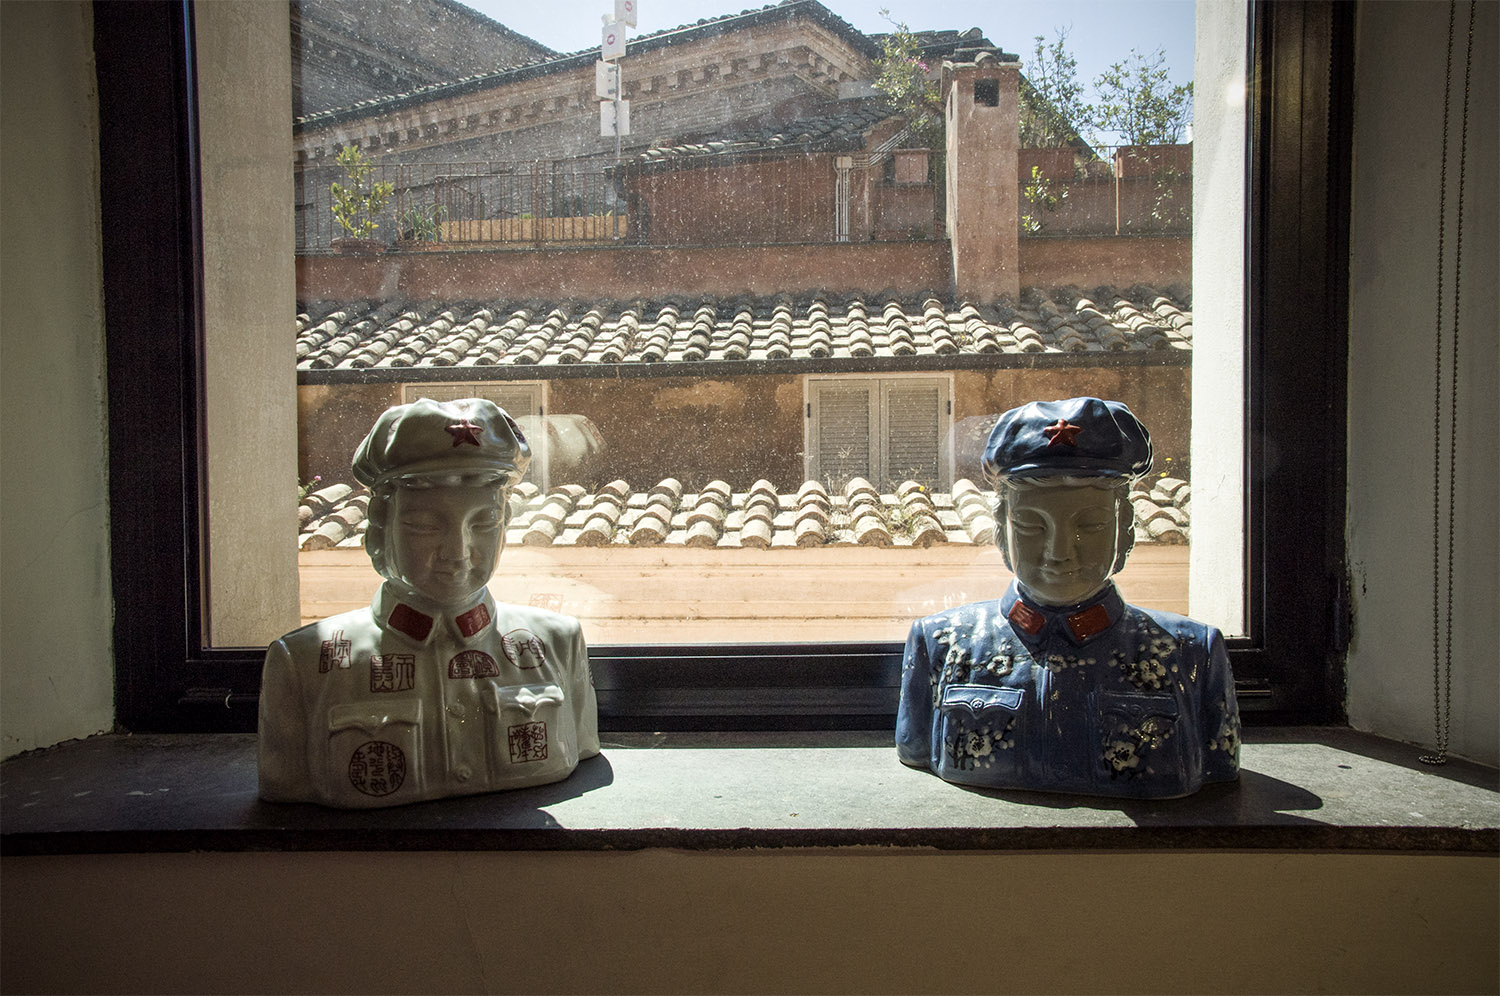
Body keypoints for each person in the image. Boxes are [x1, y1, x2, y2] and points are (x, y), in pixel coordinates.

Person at [259, 398, 599, 807]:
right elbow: (285, 786)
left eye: (484, 522)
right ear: (381, 526)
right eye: (423, 525)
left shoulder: (558, 643)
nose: (458, 552)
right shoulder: (303, 664)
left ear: (506, 524)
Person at [896, 397, 1240, 798]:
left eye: (1091, 525)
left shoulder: (1192, 653)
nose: (1059, 552)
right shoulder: (939, 644)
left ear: (1125, 529)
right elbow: (913, 746)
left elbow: (1221, 766)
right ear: (1001, 531)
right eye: (1031, 525)